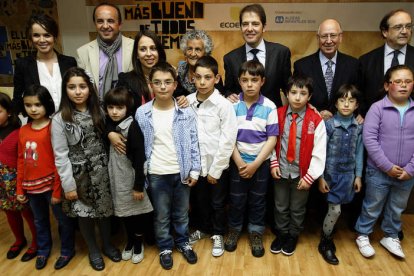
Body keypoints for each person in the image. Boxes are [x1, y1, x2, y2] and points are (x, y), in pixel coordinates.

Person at [51, 67, 121, 271]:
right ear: (65, 90)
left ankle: (107, 245)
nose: (78, 91)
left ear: (89, 88)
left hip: (102, 171)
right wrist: (68, 185)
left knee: (105, 212)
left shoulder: (99, 109)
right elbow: (60, 155)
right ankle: (93, 250)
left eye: (82, 86)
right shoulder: (60, 118)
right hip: (78, 175)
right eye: (72, 87)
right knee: (85, 214)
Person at [135, 62, 200, 270]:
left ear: (175, 84)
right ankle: (165, 246)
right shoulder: (142, 113)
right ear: (150, 85)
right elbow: (139, 148)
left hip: (181, 172)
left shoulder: (185, 112)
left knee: (181, 213)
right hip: (156, 173)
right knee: (161, 214)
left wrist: (195, 170)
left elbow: (194, 142)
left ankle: (182, 242)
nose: (162, 87)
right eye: (157, 82)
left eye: (167, 82)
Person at [354, 65, 414, 259]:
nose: (403, 86)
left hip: (407, 173)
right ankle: (363, 234)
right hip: (378, 171)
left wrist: (411, 169)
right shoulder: (377, 108)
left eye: (408, 81)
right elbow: (369, 140)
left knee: (397, 207)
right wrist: (387, 166)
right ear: (387, 86)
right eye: (398, 81)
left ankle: (390, 235)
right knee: (373, 205)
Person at [16, 85, 75, 270]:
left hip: (52, 186)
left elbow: (60, 160)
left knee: (63, 221)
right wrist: (19, 189)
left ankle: (67, 250)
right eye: (28, 105)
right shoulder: (23, 130)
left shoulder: (53, 127)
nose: (33, 109)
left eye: (38, 104)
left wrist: (58, 191)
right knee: (39, 221)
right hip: (31, 188)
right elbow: (20, 161)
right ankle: (43, 250)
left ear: (47, 104)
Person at [224, 60, 278, 258]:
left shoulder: (270, 107)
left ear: (262, 81)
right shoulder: (231, 106)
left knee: (258, 201)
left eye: (254, 80)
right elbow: (228, 139)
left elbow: (272, 139)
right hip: (237, 163)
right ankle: (234, 230)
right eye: (245, 80)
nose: (249, 84)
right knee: (236, 200)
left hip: (260, 164)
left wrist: (255, 164)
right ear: (239, 81)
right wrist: (240, 163)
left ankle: (256, 232)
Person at [186, 56, 237, 257]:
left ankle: (217, 233)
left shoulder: (224, 105)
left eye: (207, 77)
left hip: (217, 166)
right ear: (192, 78)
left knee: (218, 202)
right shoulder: (187, 102)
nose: (202, 82)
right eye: (198, 77)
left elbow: (228, 140)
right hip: (196, 166)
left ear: (217, 78)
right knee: (201, 201)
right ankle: (203, 228)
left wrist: (216, 169)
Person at [270, 76, 326, 256]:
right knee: (280, 205)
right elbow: (270, 141)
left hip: (302, 174)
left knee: (297, 207)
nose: (297, 97)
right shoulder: (277, 114)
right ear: (286, 94)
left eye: (303, 93)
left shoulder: (315, 120)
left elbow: (319, 151)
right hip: (281, 170)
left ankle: (293, 235)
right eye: (293, 92)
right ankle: (282, 233)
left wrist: (311, 176)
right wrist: (273, 162)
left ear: (309, 97)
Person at [104, 87, 153, 264]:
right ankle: (130, 240)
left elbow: (140, 158)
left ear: (127, 108)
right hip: (117, 178)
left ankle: (138, 242)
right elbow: (104, 126)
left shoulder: (132, 126)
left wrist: (138, 185)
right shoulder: (109, 125)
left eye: (119, 108)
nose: (115, 112)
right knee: (124, 213)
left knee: (137, 213)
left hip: (131, 178)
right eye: (111, 108)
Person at [317, 84, 363, 265]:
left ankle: (328, 233)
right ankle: (325, 240)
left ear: (357, 105)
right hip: (330, 175)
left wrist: (358, 175)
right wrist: (320, 177)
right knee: (335, 210)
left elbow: (359, 152)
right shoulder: (328, 125)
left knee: (338, 209)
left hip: (348, 176)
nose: (346, 104)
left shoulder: (358, 127)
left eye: (351, 101)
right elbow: (321, 152)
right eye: (342, 100)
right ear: (335, 103)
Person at [224, 4, 291, 107]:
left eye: (255, 24)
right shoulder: (230, 58)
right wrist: (228, 95)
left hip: (273, 116)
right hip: (242, 118)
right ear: (241, 27)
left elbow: (290, 88)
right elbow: (228, 89)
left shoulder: (281, 53)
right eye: (245, 24)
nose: (250, 29)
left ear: (264, 27)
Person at [293, 19, 359, 120]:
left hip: (344, 124)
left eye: (333, 35)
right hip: (311, 123)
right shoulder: (301, 66)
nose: (328, 41)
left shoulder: (353, 65)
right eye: (324, 36)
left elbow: (358, 96)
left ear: (340, 37)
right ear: (318, 38)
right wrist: (318, 113)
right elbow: (297, 98)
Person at [13, 14, 76, 113]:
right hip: (39, 124)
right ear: (31, 38)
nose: (42, 40)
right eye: (36, 35)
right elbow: (17, 99)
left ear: (54, 37)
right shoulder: (23, 65)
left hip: (68, 121)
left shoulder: (69, 62)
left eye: (47, 35)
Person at [0, 93, 37, 262]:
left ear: (8, 112)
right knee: (8, 210)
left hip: (17, 181)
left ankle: (37, 242)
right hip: (1, 184)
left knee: (27, 211)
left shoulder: (19, 133)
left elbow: (25, 160)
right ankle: (19, 239)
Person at [359, 9, 414, 114]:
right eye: (398, 27)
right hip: (375, 122)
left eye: (408, 26)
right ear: (385, 32)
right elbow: (360, 94)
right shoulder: (366, 61)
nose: (404, 31)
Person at [77, 2, 134, 99]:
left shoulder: (134, 47)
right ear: (95, 24)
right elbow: (82, 87)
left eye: (110, 21)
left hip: (128, 108)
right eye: (100, 21)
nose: (105, 26)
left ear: (119, 24)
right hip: (97, 110)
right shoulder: (83, 52)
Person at [175, 30, 224, 97]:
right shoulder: (179, 73)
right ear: (185, 51)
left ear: (205, 52)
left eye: (198, 49)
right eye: (189, 49)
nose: (193, 54)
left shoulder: (212, 74)